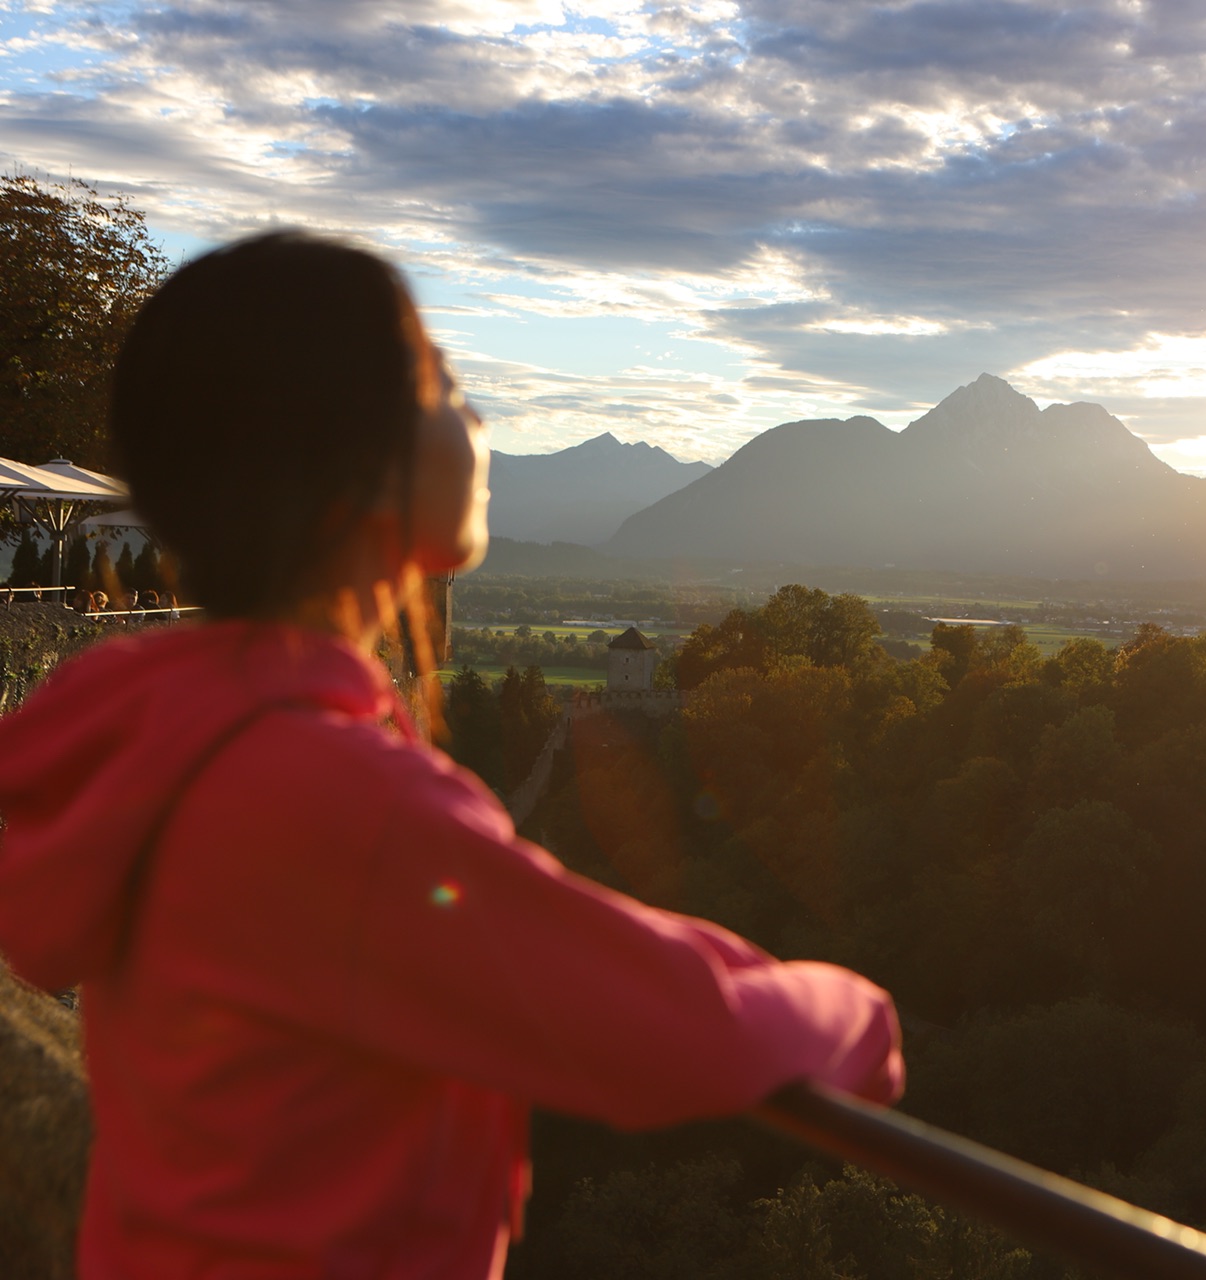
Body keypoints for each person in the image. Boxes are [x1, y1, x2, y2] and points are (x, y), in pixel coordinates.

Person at [0, 233, 902, 1278]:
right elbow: (673, 1027)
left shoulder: (151, 732)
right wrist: (855, 1014)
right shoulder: (335, 800)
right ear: (359, 458)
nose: (477, 423)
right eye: (449, 385)